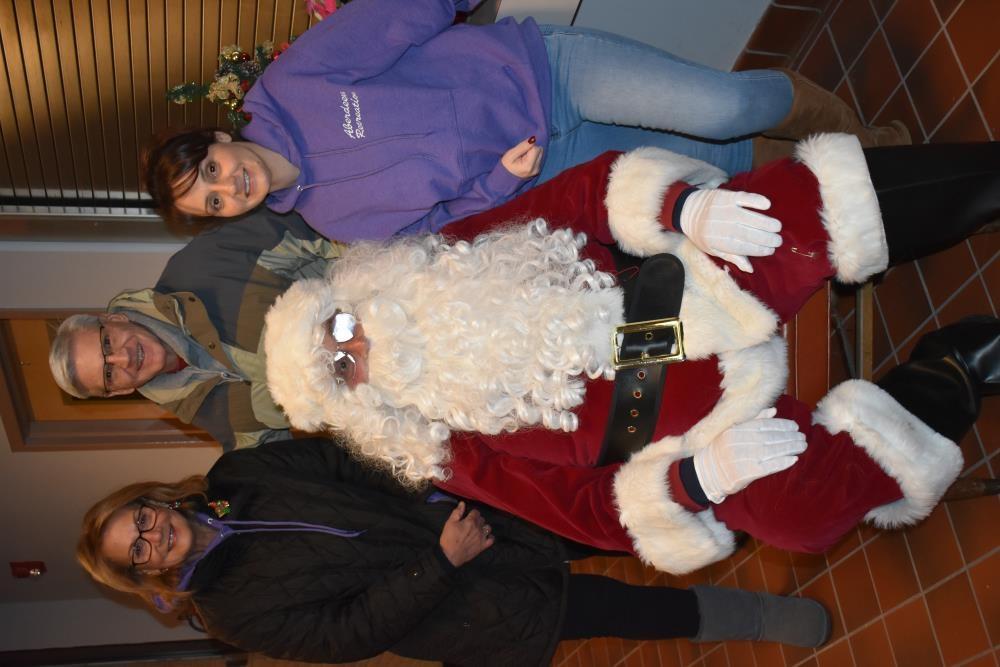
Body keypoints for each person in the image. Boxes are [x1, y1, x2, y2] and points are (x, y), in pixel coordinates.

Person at [262, 135, 999, 575]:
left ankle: (986, 182)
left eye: (338, 326)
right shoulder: (443, 448)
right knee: (797, 516)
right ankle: (960, 368)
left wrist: (684, 207)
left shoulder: (443, 260)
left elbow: (582, 195)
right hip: (698, 428)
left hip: (693, 294)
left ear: (353, 293)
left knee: (794, 212)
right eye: (341, 367)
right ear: (357, 402)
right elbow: (588, 514)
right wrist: (699, 479)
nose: (357, 344)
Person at [143, 0, 908, 240]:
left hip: (544, 71)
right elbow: (444, 222)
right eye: (213, 202)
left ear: (219, 138)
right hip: (542, 161)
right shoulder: (332, 220)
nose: (228, 187)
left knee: (726, 107)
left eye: (211, 171)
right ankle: (871, 164)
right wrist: (496, 182)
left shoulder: (294, 85)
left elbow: (398, 14)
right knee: (719, 166)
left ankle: (853, 133)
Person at [78, 437, 832, 666]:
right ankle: (763, 618)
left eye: (140, 518)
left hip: (475, 510)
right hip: (466, 604)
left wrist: (432, 491)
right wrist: (441, 560)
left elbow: (344, 458)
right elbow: (348, 635)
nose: (152, 535)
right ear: (146, 574)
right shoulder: (229, 613)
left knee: (626, 516)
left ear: (152, 499)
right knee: (629, 609)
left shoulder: (235, 476)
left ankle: (761, 514)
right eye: (137, 550)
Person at [47, 209, 346, 449]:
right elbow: (275, 472)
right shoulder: (208, 415)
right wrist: (223, 502)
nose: (123, 358)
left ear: (114, 320)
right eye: (109, 374)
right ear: (118, 391)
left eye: (107, 344)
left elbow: (308, 228)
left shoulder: (202, 265)